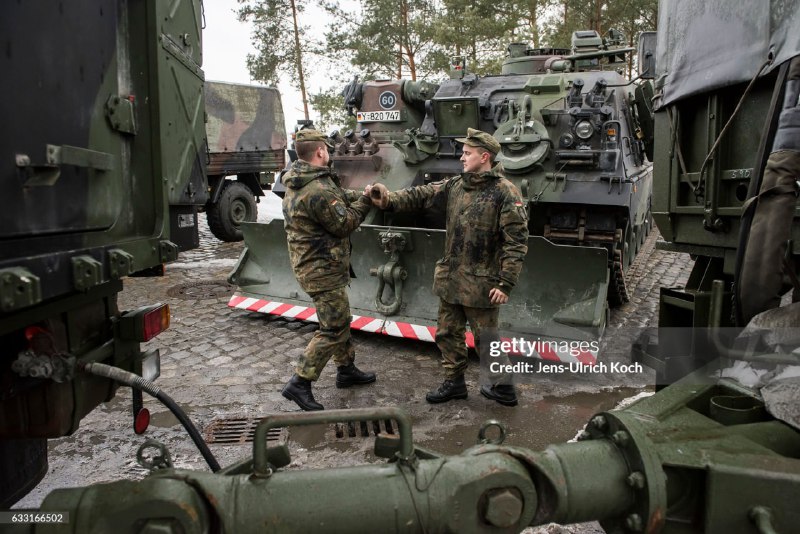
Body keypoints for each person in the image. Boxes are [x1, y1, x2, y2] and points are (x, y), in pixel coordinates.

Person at [367, 128, 528, 406]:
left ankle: (503, 388)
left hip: (483, 283)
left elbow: (516, 242)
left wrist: (505, 283)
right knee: (446, 333)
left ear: (484, 156)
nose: (462, 158)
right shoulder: (456, 185)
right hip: (451, 278)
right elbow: (423, 194)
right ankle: (454, 383)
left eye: (467, 154)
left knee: (485, 340)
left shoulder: (505, 192)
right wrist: (389, 199)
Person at [280, 129, 376, 411]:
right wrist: (368, 202)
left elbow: (339, 196)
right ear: (320, 151)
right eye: (327, 148)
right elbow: (345, 223)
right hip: (321, 268)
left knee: (340, 318)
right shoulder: (317, 189)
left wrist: (362, 193)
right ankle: (299, 382)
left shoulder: (305, 181)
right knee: (333, 327)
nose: (329, 152)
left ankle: (346, 369)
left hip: (317, 265)